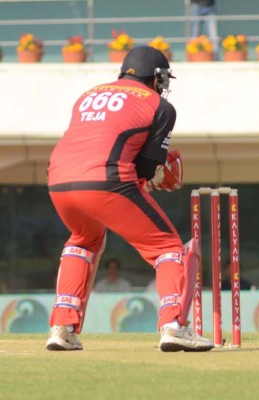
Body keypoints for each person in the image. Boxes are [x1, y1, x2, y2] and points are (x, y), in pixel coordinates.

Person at [45, 45, 213, 352]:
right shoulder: (161, 107)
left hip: (58, 180)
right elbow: (147, 166)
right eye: (162, 80)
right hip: (107, 181)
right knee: (168, 248)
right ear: (155, 78)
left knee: (83, 241)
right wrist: (155, 177)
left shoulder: (88, 94)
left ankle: (62, 327)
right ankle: (174, 326)